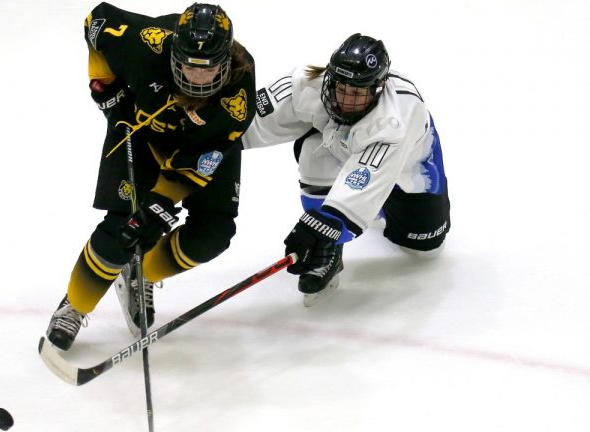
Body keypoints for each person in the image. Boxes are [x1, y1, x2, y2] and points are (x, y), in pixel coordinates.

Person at [45, 2, 256, 350]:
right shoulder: (149, 43)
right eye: (189, 68)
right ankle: (75, 303)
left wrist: (158, 206)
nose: (197, 78)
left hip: (201, 148)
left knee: (213, 234)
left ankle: (139, 272)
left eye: (208, 69)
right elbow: (95, 22)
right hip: (140, 131)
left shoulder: (237, 97)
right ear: (175, 54)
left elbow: (197, 163)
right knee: (123, 226)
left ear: (226, 61)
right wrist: (106, 88)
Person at [242, 33, 450, 306]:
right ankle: (329, 256)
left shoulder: (398, 116)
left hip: (407, 175)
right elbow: (242, 122)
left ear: (378, 87)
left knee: (424, 248)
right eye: (341, 88)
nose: (345, 101)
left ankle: (375, 213)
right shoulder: (307, 84)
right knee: (315, 151)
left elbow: (366, 179)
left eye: (357, 93)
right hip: (344, 154)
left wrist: (320, 229)